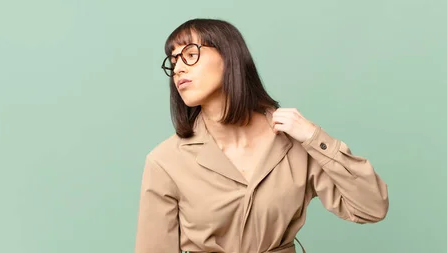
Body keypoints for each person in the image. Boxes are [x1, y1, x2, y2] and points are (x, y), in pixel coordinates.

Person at [134, 18, 389, 253]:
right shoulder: (165, 161)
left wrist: (313, 137)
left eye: (190, 54)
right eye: (174, 60)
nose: (178, 68)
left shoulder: (294, 142)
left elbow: (371, 207)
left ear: (229, 57)